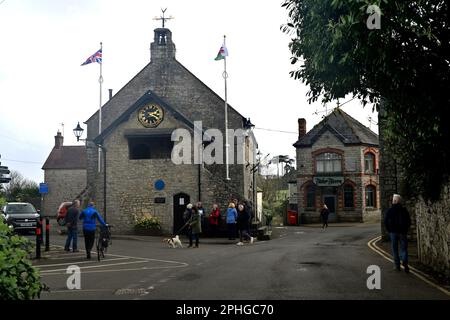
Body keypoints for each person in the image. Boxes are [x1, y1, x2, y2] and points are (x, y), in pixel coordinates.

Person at [384, 194, 411, 273]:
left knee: (395, 249)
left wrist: (389, 230)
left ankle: (397, 266)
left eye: (393, 200)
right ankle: (405, 262)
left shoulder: (390, 210)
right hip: (403, 232)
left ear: (395, 201)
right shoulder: (404, 210)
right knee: (404, 249)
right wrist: (406, 229)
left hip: (393, 232)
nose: (392, 201)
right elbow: (408, 221)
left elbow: (386, 222)